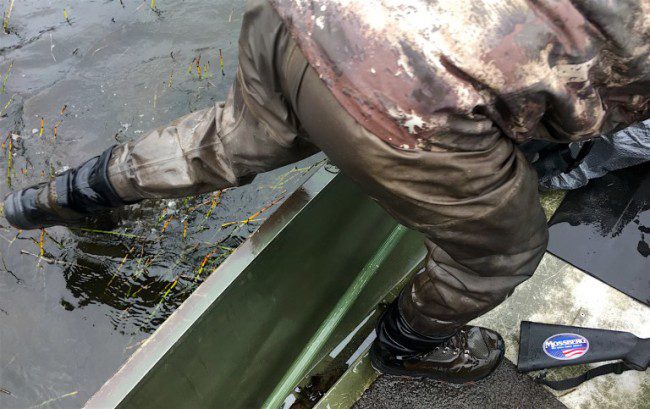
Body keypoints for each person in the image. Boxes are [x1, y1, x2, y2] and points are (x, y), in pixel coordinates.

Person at [4, 0, 650, 384]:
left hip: (310, 14)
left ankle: (56, 198)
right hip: (415, 88)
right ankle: (408, 346)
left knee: (233, 135)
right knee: (500, 253)